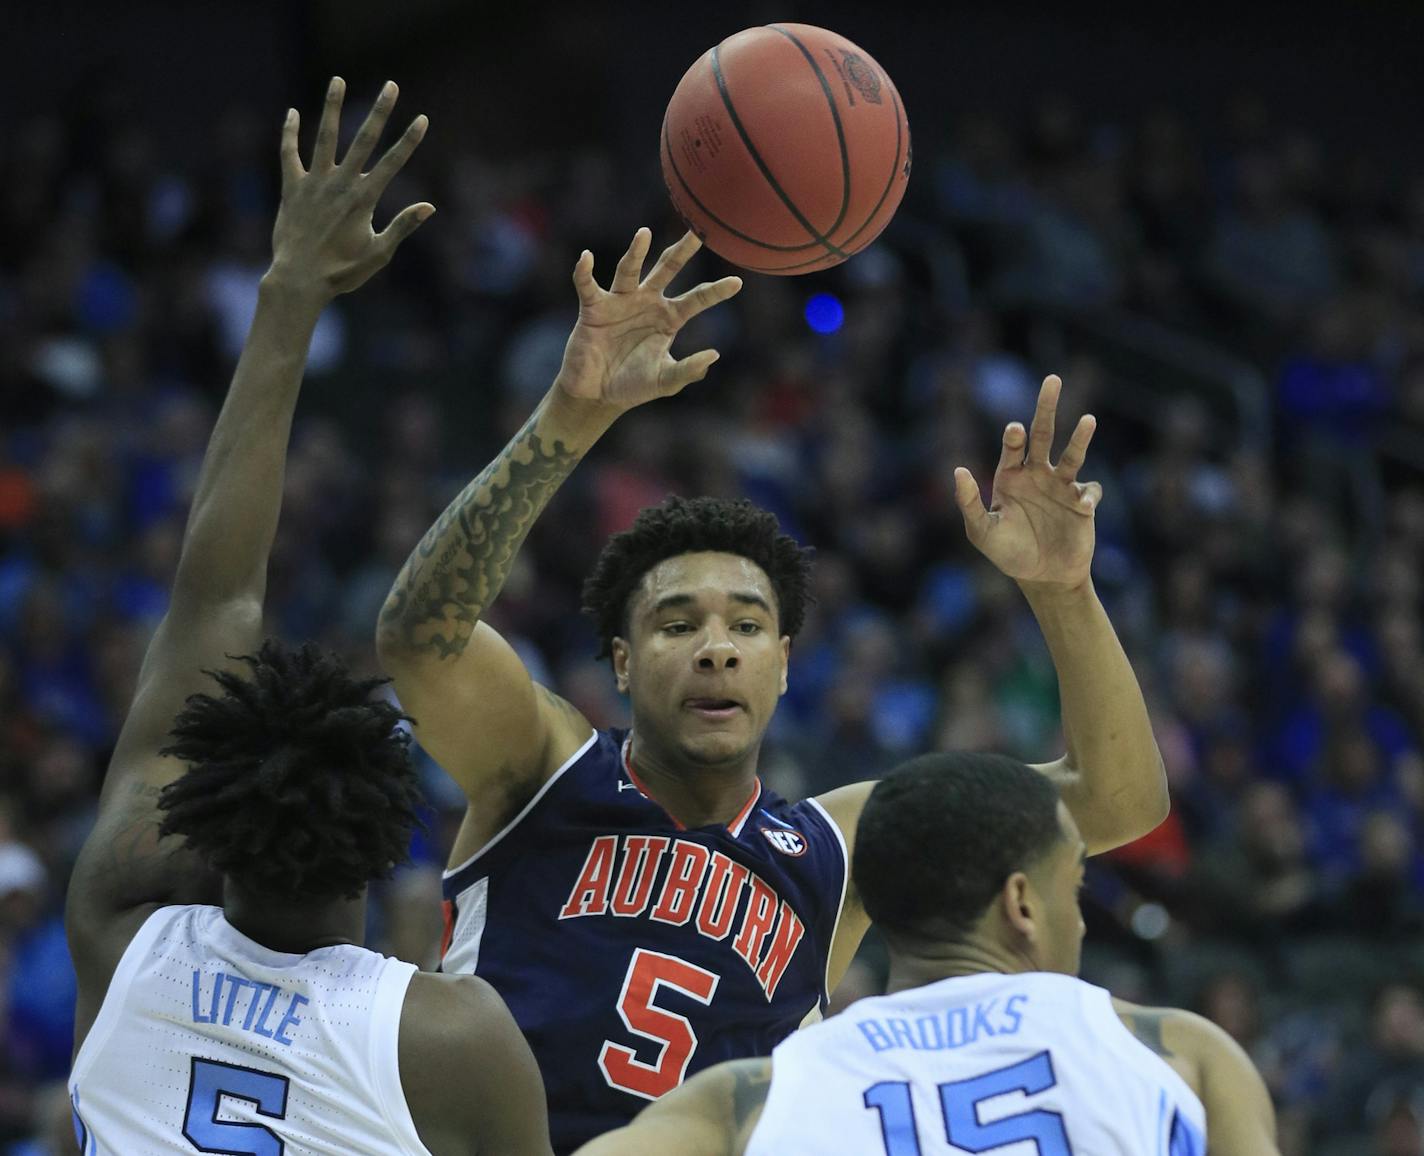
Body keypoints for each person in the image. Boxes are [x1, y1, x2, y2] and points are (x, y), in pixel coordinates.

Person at [376, 227, 1169, 1152]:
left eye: (747, 627)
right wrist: (572, 414)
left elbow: (1118, 803)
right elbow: (419, 639)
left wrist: (1063, 592)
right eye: (678, 625)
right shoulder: (541, 764)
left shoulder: (835, 845)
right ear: (621, 664)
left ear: (786, 663)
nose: (717, 651)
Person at [63, 78, 551, 1156]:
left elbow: (214, 594)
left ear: (208, 831)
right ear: (381, 850)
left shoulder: (120, 922)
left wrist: (286, 290)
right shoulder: (448, 1035)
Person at [575, 752, 1279, 1156]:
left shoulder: (750, 1098)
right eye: (1077, 888)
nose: (1084, 923)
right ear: (1022, 904)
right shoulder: (1179, 1053)